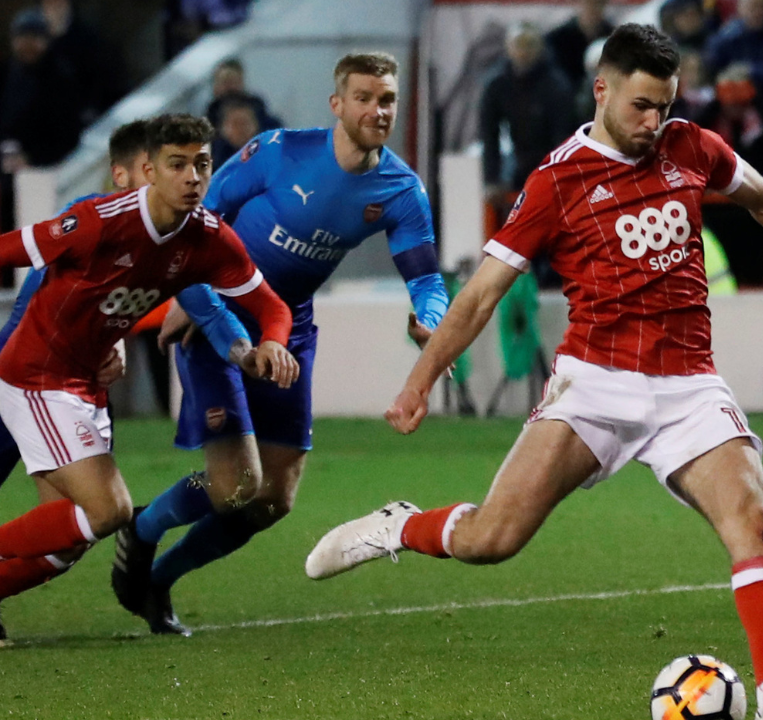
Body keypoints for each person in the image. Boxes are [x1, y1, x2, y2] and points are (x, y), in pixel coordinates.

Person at [304, 25, 763, 720]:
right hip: (595, 387)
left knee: (752, 524)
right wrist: (420, 379)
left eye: (664, 105)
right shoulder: (556, 180)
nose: (653, 122)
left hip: (690, 385)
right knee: (492, 540)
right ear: (602, 90)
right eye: (641, 105)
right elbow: (482, 293)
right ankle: (398, 527)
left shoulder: (690, 146)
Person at [112, 53, 450, 637]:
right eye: (365, 97)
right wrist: (192, 304)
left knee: (273, 499)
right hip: (214, 313)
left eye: (388, 99)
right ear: (337, 104)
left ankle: (159, 579)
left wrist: (429, 317)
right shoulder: (278, 151)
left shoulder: (399, 188)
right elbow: (196, 224)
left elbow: (425, 278)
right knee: (234, 484)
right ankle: (141, 531)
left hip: (290, 327)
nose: (378, 109)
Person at [0, 114, 297, 643]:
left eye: (201, 165)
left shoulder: (207, 237)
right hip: (35, 375)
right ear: (145, 170)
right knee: (106, 508)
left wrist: (265, 342)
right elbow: (13, 255)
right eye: (177, 165)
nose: (191, 177)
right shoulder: (97, 219)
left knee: (67, 543)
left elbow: (262, 305)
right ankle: (139, 532)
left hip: (84, 388)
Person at [480, 23, 577, 205]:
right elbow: (489, 135)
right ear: (508, 48)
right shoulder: (497, 84)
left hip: (549, 157)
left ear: (540, 48)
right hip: (518, 159)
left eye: (529, 45)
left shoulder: (557, 85)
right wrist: (491, 179)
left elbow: (563, 136)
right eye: (518, 45)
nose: (523, 52)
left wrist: (560, 176)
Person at [0, 9, 85, 169]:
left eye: (34, 39)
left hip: (42, 170)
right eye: (22, 39)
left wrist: (32, 158)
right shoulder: (7, 74)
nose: (28, 46)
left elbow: (68, 135)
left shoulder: (60, 79)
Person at [545, 0, 614, 89]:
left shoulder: (614, 37)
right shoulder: (558, 38)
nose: (592, 9)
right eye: (588, 4)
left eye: (597, 4)